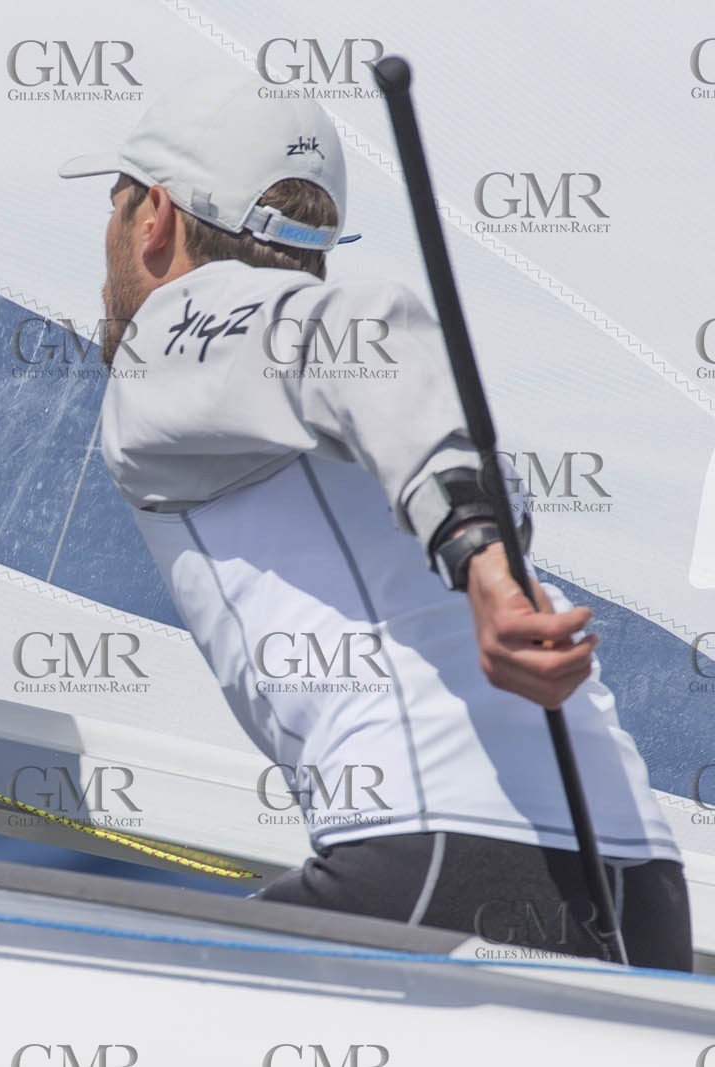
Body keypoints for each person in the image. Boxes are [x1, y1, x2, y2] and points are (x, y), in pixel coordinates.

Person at [57, 79, 689, 968]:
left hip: (437, 848)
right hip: (640, 878)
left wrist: (479, 560)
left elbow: (364, 326)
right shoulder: (378, 407)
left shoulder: (167, 335)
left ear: (154, 217)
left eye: (116, 202)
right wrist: (487, 550)